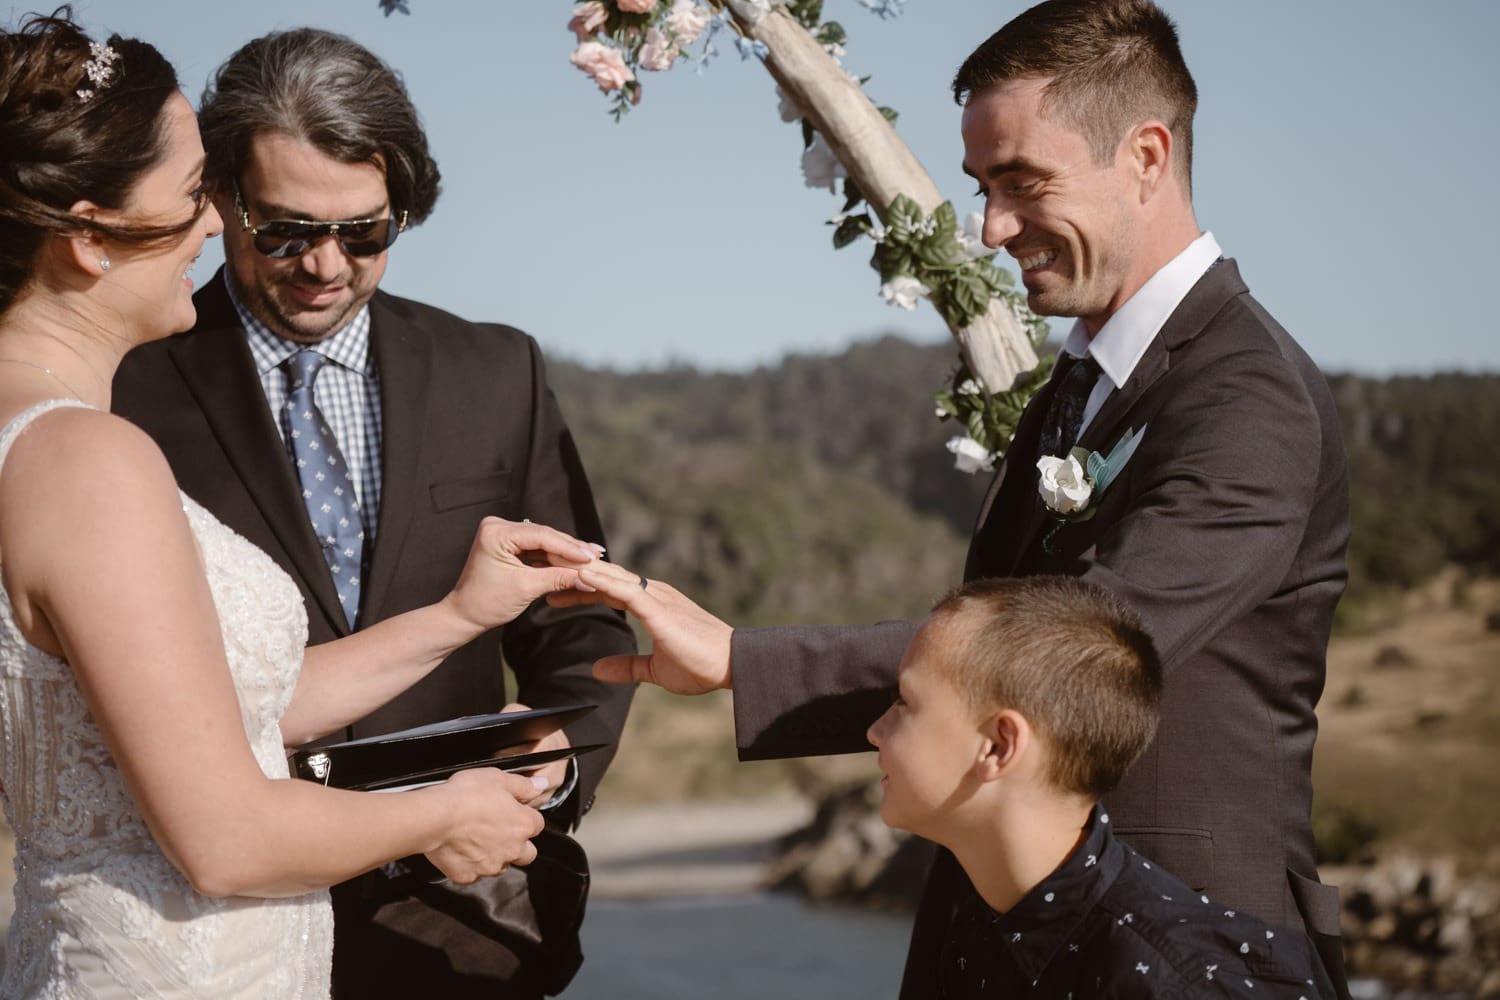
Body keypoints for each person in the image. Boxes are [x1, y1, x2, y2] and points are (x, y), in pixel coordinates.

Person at [555, 0, 1351, 995]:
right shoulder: (1083, 382)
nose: (991, 227)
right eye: (982, 187)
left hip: (1184, 941)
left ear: (1147, 155)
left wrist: (739, 660)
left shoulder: (1248, 394)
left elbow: (1078, 645)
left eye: (1022, 182)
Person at [0, 11, 605, 998]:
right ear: (83, 236)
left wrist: (458, 618)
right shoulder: (90, 453)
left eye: (359, 230)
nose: (209, 224)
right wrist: (446, 812)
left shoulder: (35, 429)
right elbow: (228, 836)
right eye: (200, 196)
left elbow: (219, 704)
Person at [867, 576, 1335, 997]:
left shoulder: (1191, 983)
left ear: (998, 746)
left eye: (904, 702)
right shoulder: (981, 932)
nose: (874, 731)